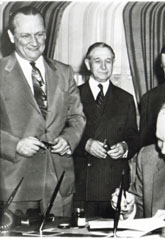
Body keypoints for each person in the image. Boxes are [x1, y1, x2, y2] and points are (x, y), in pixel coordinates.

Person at [0, 6, 86, 216]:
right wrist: (15, 145)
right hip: (16, 185)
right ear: (11, 36)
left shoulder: (64, 72)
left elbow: (77, 117)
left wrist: (68, 139)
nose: (35, 42)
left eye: (39, 34)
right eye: (26, 36)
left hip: (59, 183)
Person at [73, 42, 140, 218]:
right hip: (82, 184)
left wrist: (125, 147)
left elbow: (134, 136)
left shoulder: (125, 98)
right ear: (88, 64)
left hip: (115, 184)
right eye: (97, 61)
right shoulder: (73, 96)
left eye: (108, 61)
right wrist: (85, 145)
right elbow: (61, 133)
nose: (103, 66)